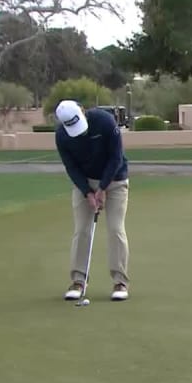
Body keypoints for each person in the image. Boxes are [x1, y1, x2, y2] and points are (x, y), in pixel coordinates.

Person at [55, 99, 131, 300]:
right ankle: (78, 281)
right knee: (82, 230)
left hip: (115, 180)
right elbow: (71, 167)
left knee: (115, 229)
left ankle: (120, 282)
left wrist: (103, 187)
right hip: (85, 183)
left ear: (82, 111)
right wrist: (88, 192)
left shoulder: (104, 121)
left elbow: (116, 157)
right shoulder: (62, 136)